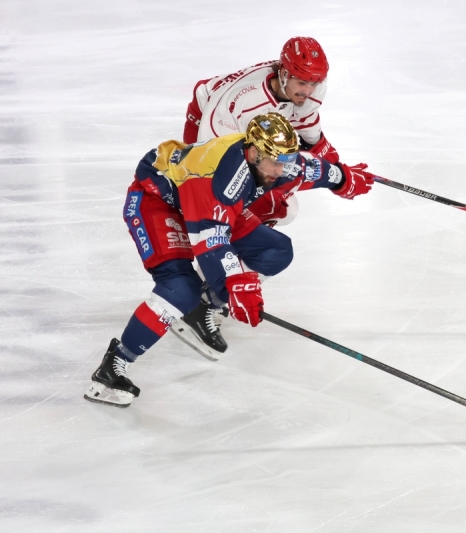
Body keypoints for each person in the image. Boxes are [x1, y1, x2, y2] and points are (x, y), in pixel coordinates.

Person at [84, 113, 374, 408]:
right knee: (180, 288)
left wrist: (342, 178)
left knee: (276, 251)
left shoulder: (275, 159)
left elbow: (309, 167)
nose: (281, 171)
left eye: (285, 162)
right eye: (276, 163)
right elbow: (211, 244)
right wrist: (237, 283)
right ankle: (113, 366)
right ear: (254, 152)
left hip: (210, 209)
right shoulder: (218, 179)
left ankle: (202, 307)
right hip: (157, 201)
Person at [174, 36, 343, 360]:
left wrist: (335, 170)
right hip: (209, 129)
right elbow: (214, 169)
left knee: (283, 209)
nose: (308, 90)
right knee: (238, 208)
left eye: (314, 82)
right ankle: (207, 288)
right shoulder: (241, 105)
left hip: (242, 126)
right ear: (283, 73)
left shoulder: (305, 86)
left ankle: (211, 283)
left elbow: (309, 135)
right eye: (301, 82)